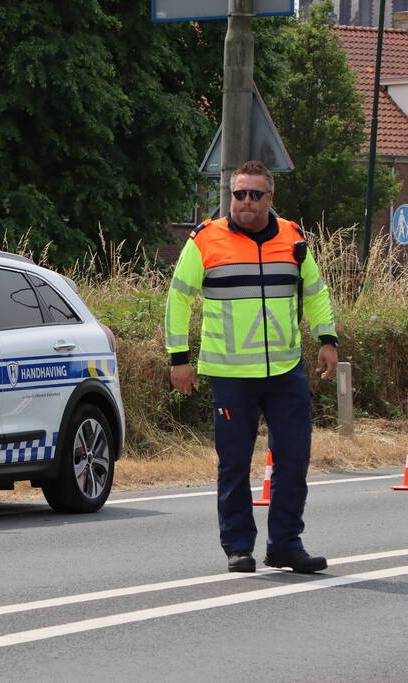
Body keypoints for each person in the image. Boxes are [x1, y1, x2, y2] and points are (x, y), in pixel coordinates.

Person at [165, 160, 338, 574]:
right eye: (238, 194)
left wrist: (327, 340)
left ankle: (285, 546)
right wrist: (178, 359)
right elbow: (177, 298)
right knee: (235, 464)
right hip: (229, 376)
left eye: (254, 194)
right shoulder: (206, 240)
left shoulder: (293, 238)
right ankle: (239, 547)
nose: (245, 201)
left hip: (285, 372)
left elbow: (314, 291)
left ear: (269, 198)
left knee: (294, 460)